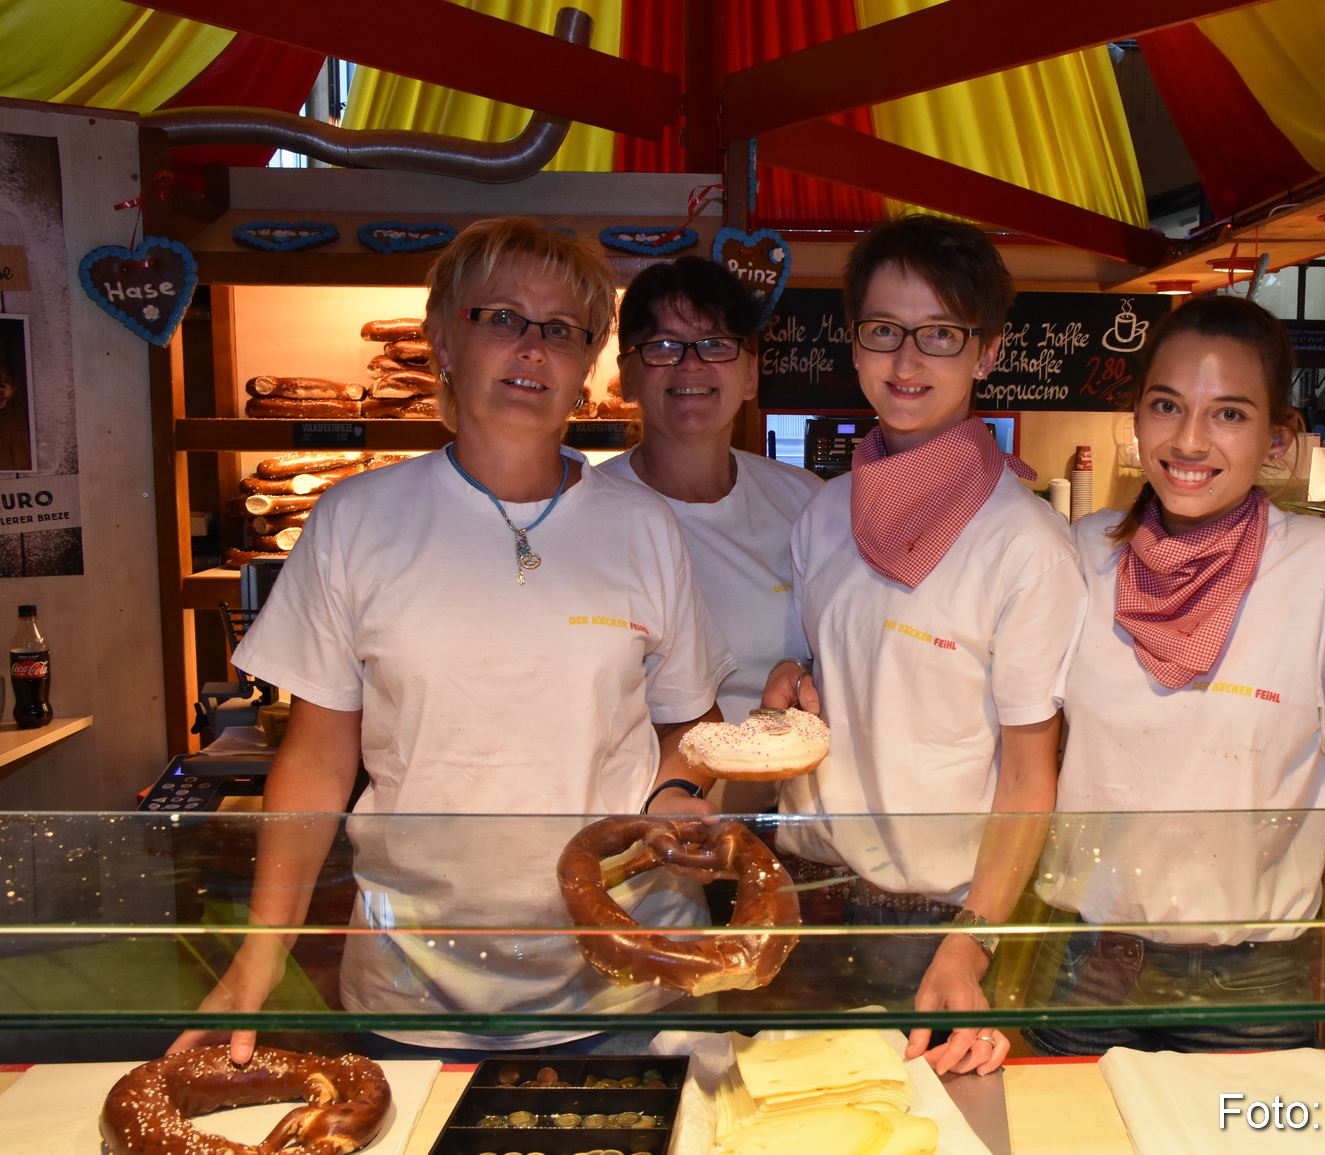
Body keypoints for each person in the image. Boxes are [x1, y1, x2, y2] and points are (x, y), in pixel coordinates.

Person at [171, 218, 733, 1061]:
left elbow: (687, 723)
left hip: (626, 971)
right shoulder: (357, 520)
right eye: (500, 317)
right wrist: (259, 956)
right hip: (413, 983)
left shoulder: (643, 526)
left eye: (562, 331)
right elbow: (319, 758)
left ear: (587, 366)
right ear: (441, 336)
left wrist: (674, 800)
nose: (532, 349)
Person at [1026, 296, 1325, 1110]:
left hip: (1252, 983)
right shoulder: (1076, 555)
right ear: (1137, 419)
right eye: (1167, 406)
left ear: (1278, 439)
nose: (1190, 442)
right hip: (1088, 966)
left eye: (1229, 413)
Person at [761, 214, 1085, 1078]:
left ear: (985, 353)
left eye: (940, 335)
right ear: (856, 345)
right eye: (884, 332)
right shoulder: (825, 513)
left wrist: (973, 943)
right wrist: (792, 685)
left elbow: (1028, 770)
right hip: (812, 894)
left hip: (940, 921)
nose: (907, 364)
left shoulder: (1025, 542)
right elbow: (824, 675)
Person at [598, 257, 822, 808]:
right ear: (626, 374)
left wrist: (807, 672)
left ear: (750, 374)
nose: (690, 365)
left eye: (716, 344)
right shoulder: (588, 513)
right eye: (663, 346)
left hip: (789, 822)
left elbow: (842, 638)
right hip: (645, 827)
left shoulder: (807, 501)